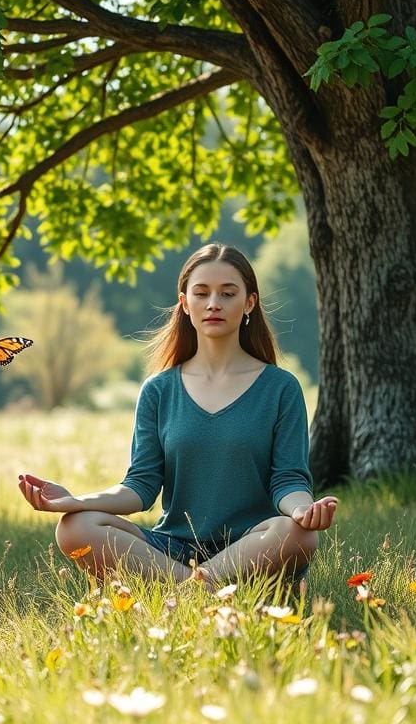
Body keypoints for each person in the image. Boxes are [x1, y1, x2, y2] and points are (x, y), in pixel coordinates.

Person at [18, 243, 338, 587]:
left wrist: (303, 510)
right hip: (172, 548)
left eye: (227, 293)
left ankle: (185, 592)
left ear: (249, 303)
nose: (213, 303)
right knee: (74, 526)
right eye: (201, 293)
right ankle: (203, 590)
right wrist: (75, 500)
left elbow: (288, 479)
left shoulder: (280, 388)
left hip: (251, 547)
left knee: (298, 534)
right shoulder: (159, 390)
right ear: (185, 303)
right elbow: (140, 487)